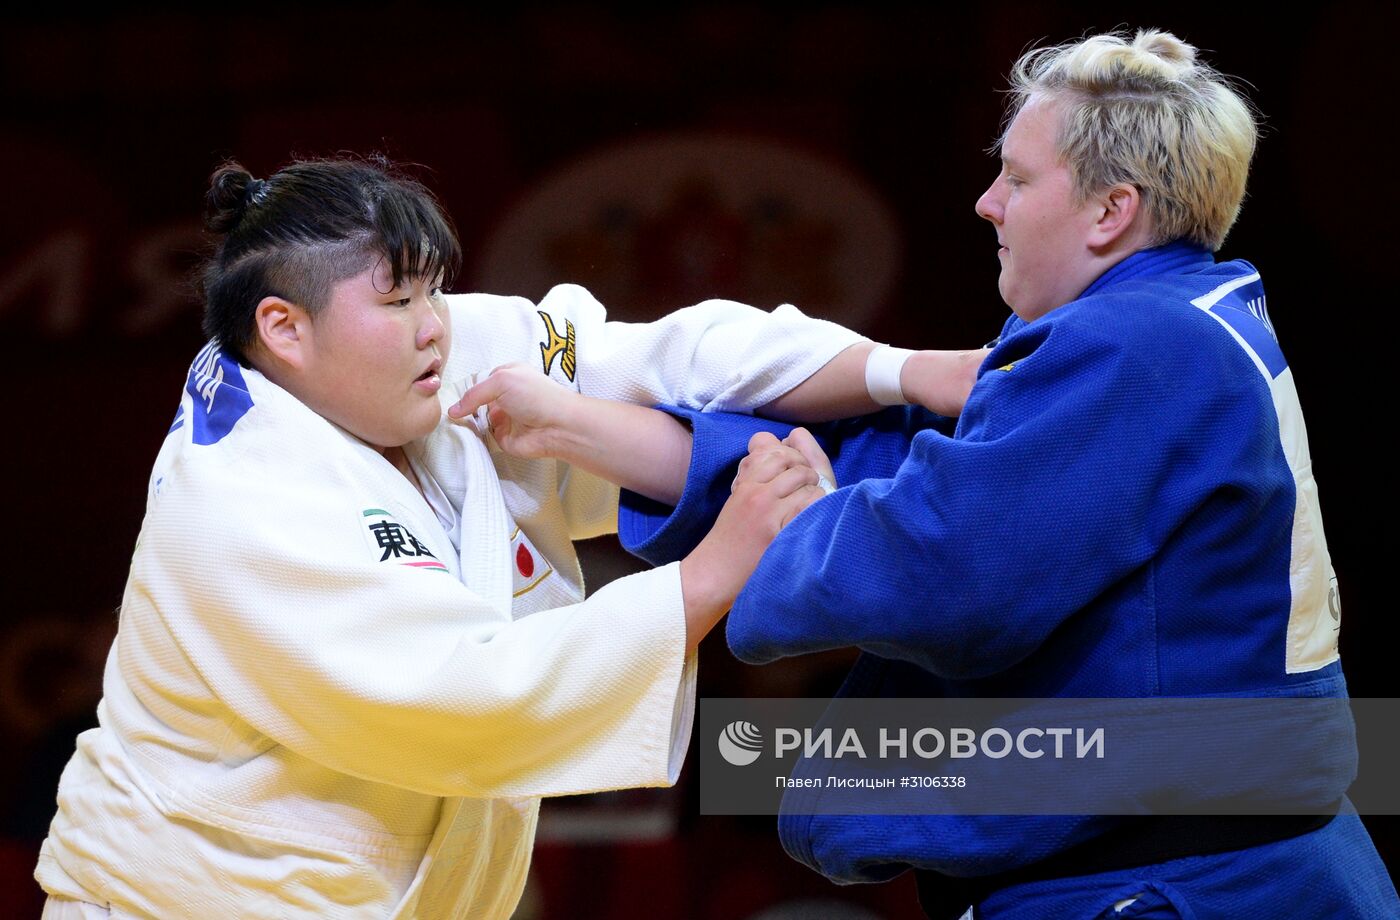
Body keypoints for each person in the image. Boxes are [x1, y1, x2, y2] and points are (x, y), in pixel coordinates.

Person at [33, 156, 979, 919]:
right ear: (282, 328)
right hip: (182, 902)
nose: (434, 329)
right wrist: (715, 570)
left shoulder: (434, 352)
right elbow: (463, 692)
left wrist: (904, 371)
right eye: (398, 302)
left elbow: (669, 353)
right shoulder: (241, 495)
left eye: (434, 291)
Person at [594, 29, 1400, 919]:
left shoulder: (1134, 344)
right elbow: (937, 481)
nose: (987, 203)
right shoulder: (1184, 316)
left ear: (1110, 211)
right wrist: (627, 439)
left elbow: (939, 568)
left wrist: (783, 521)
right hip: (1207, 860)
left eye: (1017, 179)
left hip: (1168, 884)